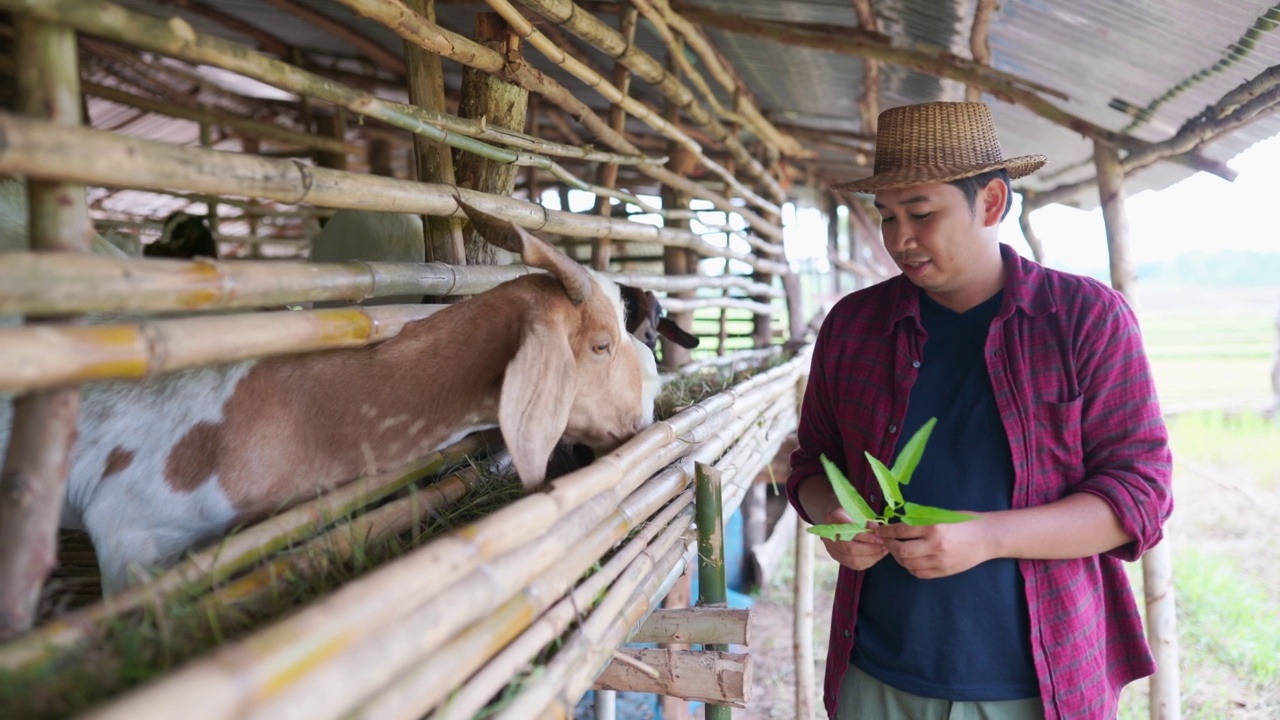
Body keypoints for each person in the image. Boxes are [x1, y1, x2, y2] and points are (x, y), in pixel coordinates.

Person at [786, 101, 1173, 720]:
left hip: (1039, 682)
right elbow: (811, 462)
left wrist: (988, 537)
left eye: (920, 213)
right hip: (877, 673)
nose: (899, 240)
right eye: (886, 216)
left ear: (991, 203)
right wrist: (831, 515)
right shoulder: (854, 326)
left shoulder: (1084, 319)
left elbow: (1140, 495)